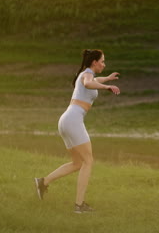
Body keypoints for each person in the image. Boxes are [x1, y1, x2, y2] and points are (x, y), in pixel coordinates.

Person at [34, 49, 120, 213]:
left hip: (66, 120)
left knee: (77, 163)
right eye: (102, 61)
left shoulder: (86, 74)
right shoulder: (86, 75)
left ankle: (42, 182)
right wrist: (107, 86)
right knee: (88, 161)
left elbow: (92, 80)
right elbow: (88, 83)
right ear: (94, 62)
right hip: (73, 121)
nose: (104, 64)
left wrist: (106, 79)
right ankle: (79, 206)